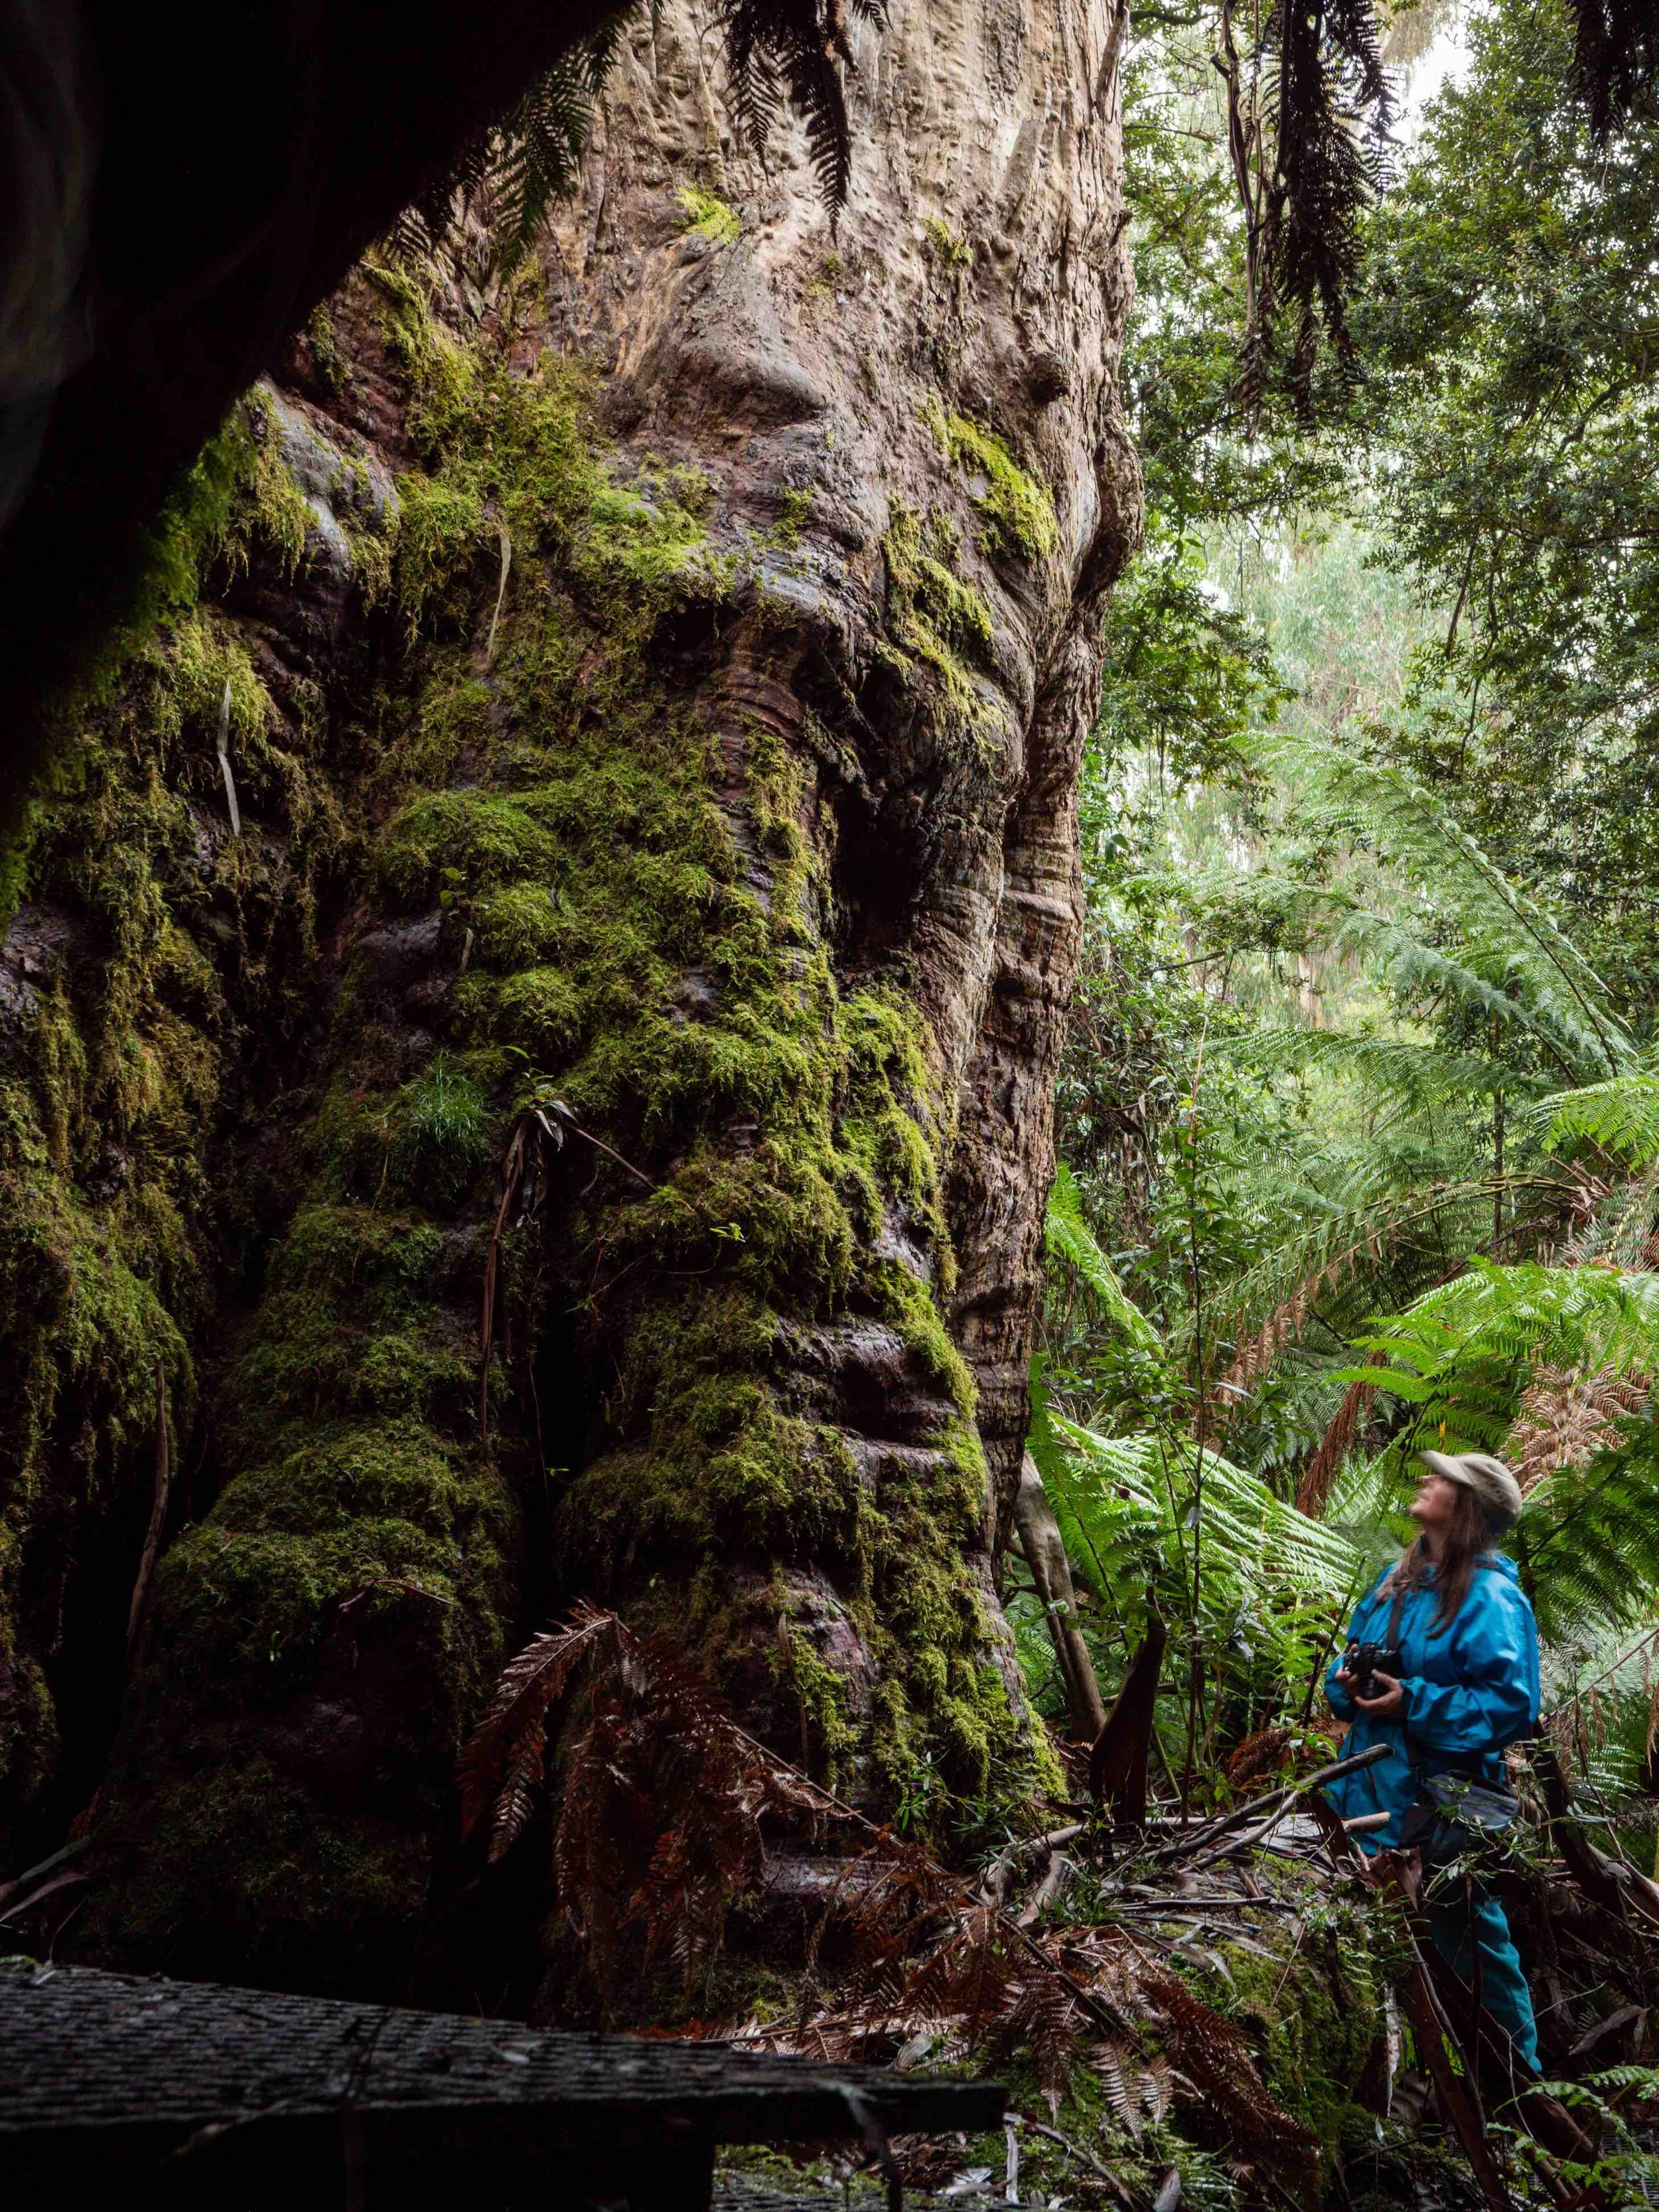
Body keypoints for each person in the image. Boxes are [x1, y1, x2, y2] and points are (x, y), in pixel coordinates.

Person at [1323, 1450, 1542, 2070]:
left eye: (1445, 1478)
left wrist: (1414, 1702)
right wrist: (1351, 1683)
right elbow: (1344, 1685)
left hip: (1441, 1806)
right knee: (1366, 1939)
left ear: (1469, 1506)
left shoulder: (1492, 1599)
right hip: (1364, 1792)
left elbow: (1511, 1706)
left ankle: (1520, 2096)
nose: (1429, 1480)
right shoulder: (1395, 1585)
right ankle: (1402, 2089)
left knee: (1469, 1941)